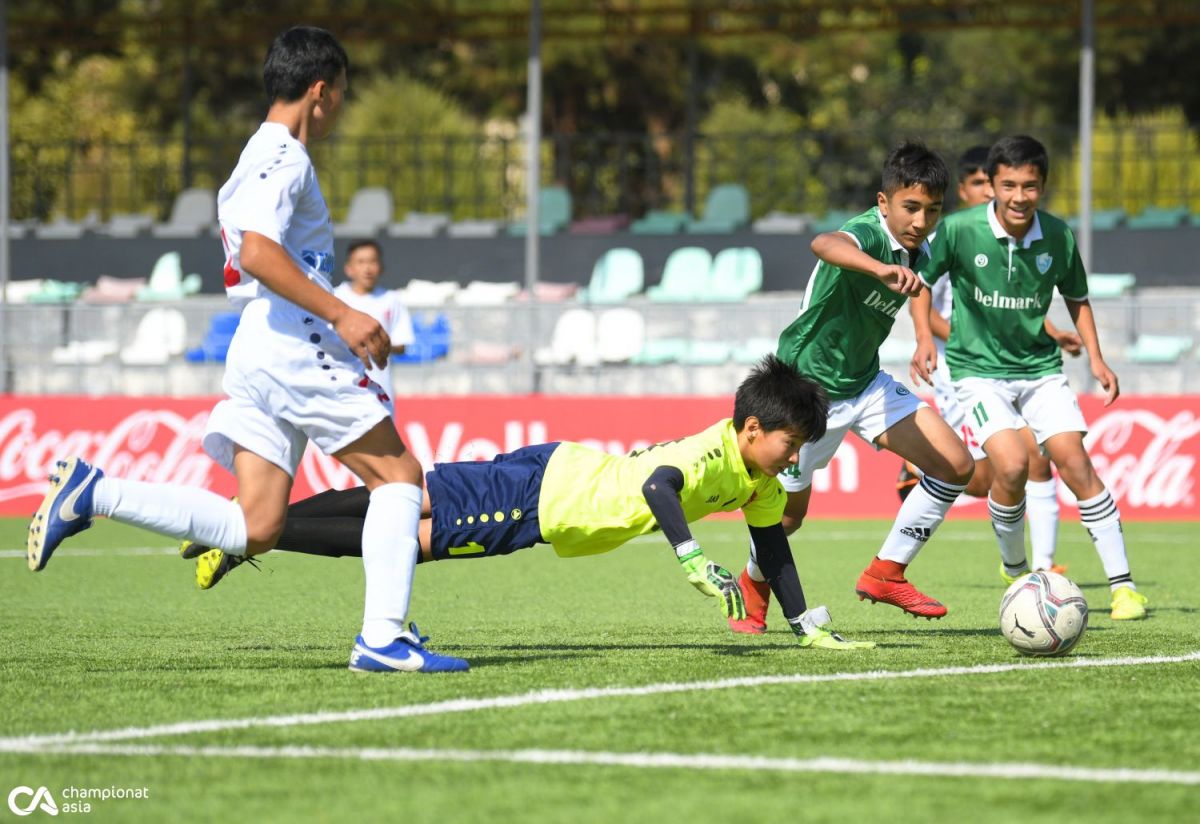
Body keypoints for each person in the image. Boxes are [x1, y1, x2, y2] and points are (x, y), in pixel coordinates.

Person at [25, 27, 468, 673]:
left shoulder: (253, 155)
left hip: (259, 345)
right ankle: (384, 637)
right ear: (320, 91)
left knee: (259, 525)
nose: (340, 106)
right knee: (399, 479)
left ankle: (95, 493)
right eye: (341, 93)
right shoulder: (284, 155)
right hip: (297, 343)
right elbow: (259, 252)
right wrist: (344, 312)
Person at [186, 356, 875, 650]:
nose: (796, 457)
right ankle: (255, 530)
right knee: (404, 530)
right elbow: (658, 487)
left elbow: (773, 547)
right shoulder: (709, 452)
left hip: (551, 481)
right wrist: (692, 556)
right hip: (539, 497)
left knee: (397, 505)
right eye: (792, 442)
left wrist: (802, 624)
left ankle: (252, 530)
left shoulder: (756, 480)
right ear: (752, 428)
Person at [731, 142, 975, 633]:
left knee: (956, 465)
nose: (921, 220)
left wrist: (924, 336)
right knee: (788, 518)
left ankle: (887, 571)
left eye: (932, 210)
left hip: (866, 384)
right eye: (910, 207)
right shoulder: (865, 233)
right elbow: (824, 244)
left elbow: (918, 287)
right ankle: (754, 583)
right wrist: (877, 267)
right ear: (884, 203)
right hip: (804, 395)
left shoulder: (920, 246)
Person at [910, 134, 1147, 621]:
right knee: (1012, 466)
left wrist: (1097, 360)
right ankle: (1017, 571)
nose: (1020, 196)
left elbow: (1077, 297)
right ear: (992, 185)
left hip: (1040, 370)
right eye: (1009, 185)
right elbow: (922, 283)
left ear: (1043, 186)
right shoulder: (958, 231)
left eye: (1031, 186)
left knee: (1072, 462)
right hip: (977, 373)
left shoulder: (1057, 236)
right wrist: (923, 339)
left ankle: (1124, 589)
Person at [899, 146, 1083, 576]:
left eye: (991, 183)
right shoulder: (954, 238)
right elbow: (932, 306)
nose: (990, 192)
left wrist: (1054, 333)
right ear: (963, 190)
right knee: (983, 475)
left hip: (1005, 366)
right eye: (981, 184)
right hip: (959, 371)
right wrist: (957, 337)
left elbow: (1009, 308)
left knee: (1033, 461)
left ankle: (1042, 565)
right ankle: (917, 463)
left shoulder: (1008, 240)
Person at [334, 240, 414, 403]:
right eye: (361, 262)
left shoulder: (391, 300)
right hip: (341, 389)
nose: (367, 268)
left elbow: (401, 345)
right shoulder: (334, 298)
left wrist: (374, 343)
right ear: (348, 269)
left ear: (381, 267)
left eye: (372, 262)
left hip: (380, 391)